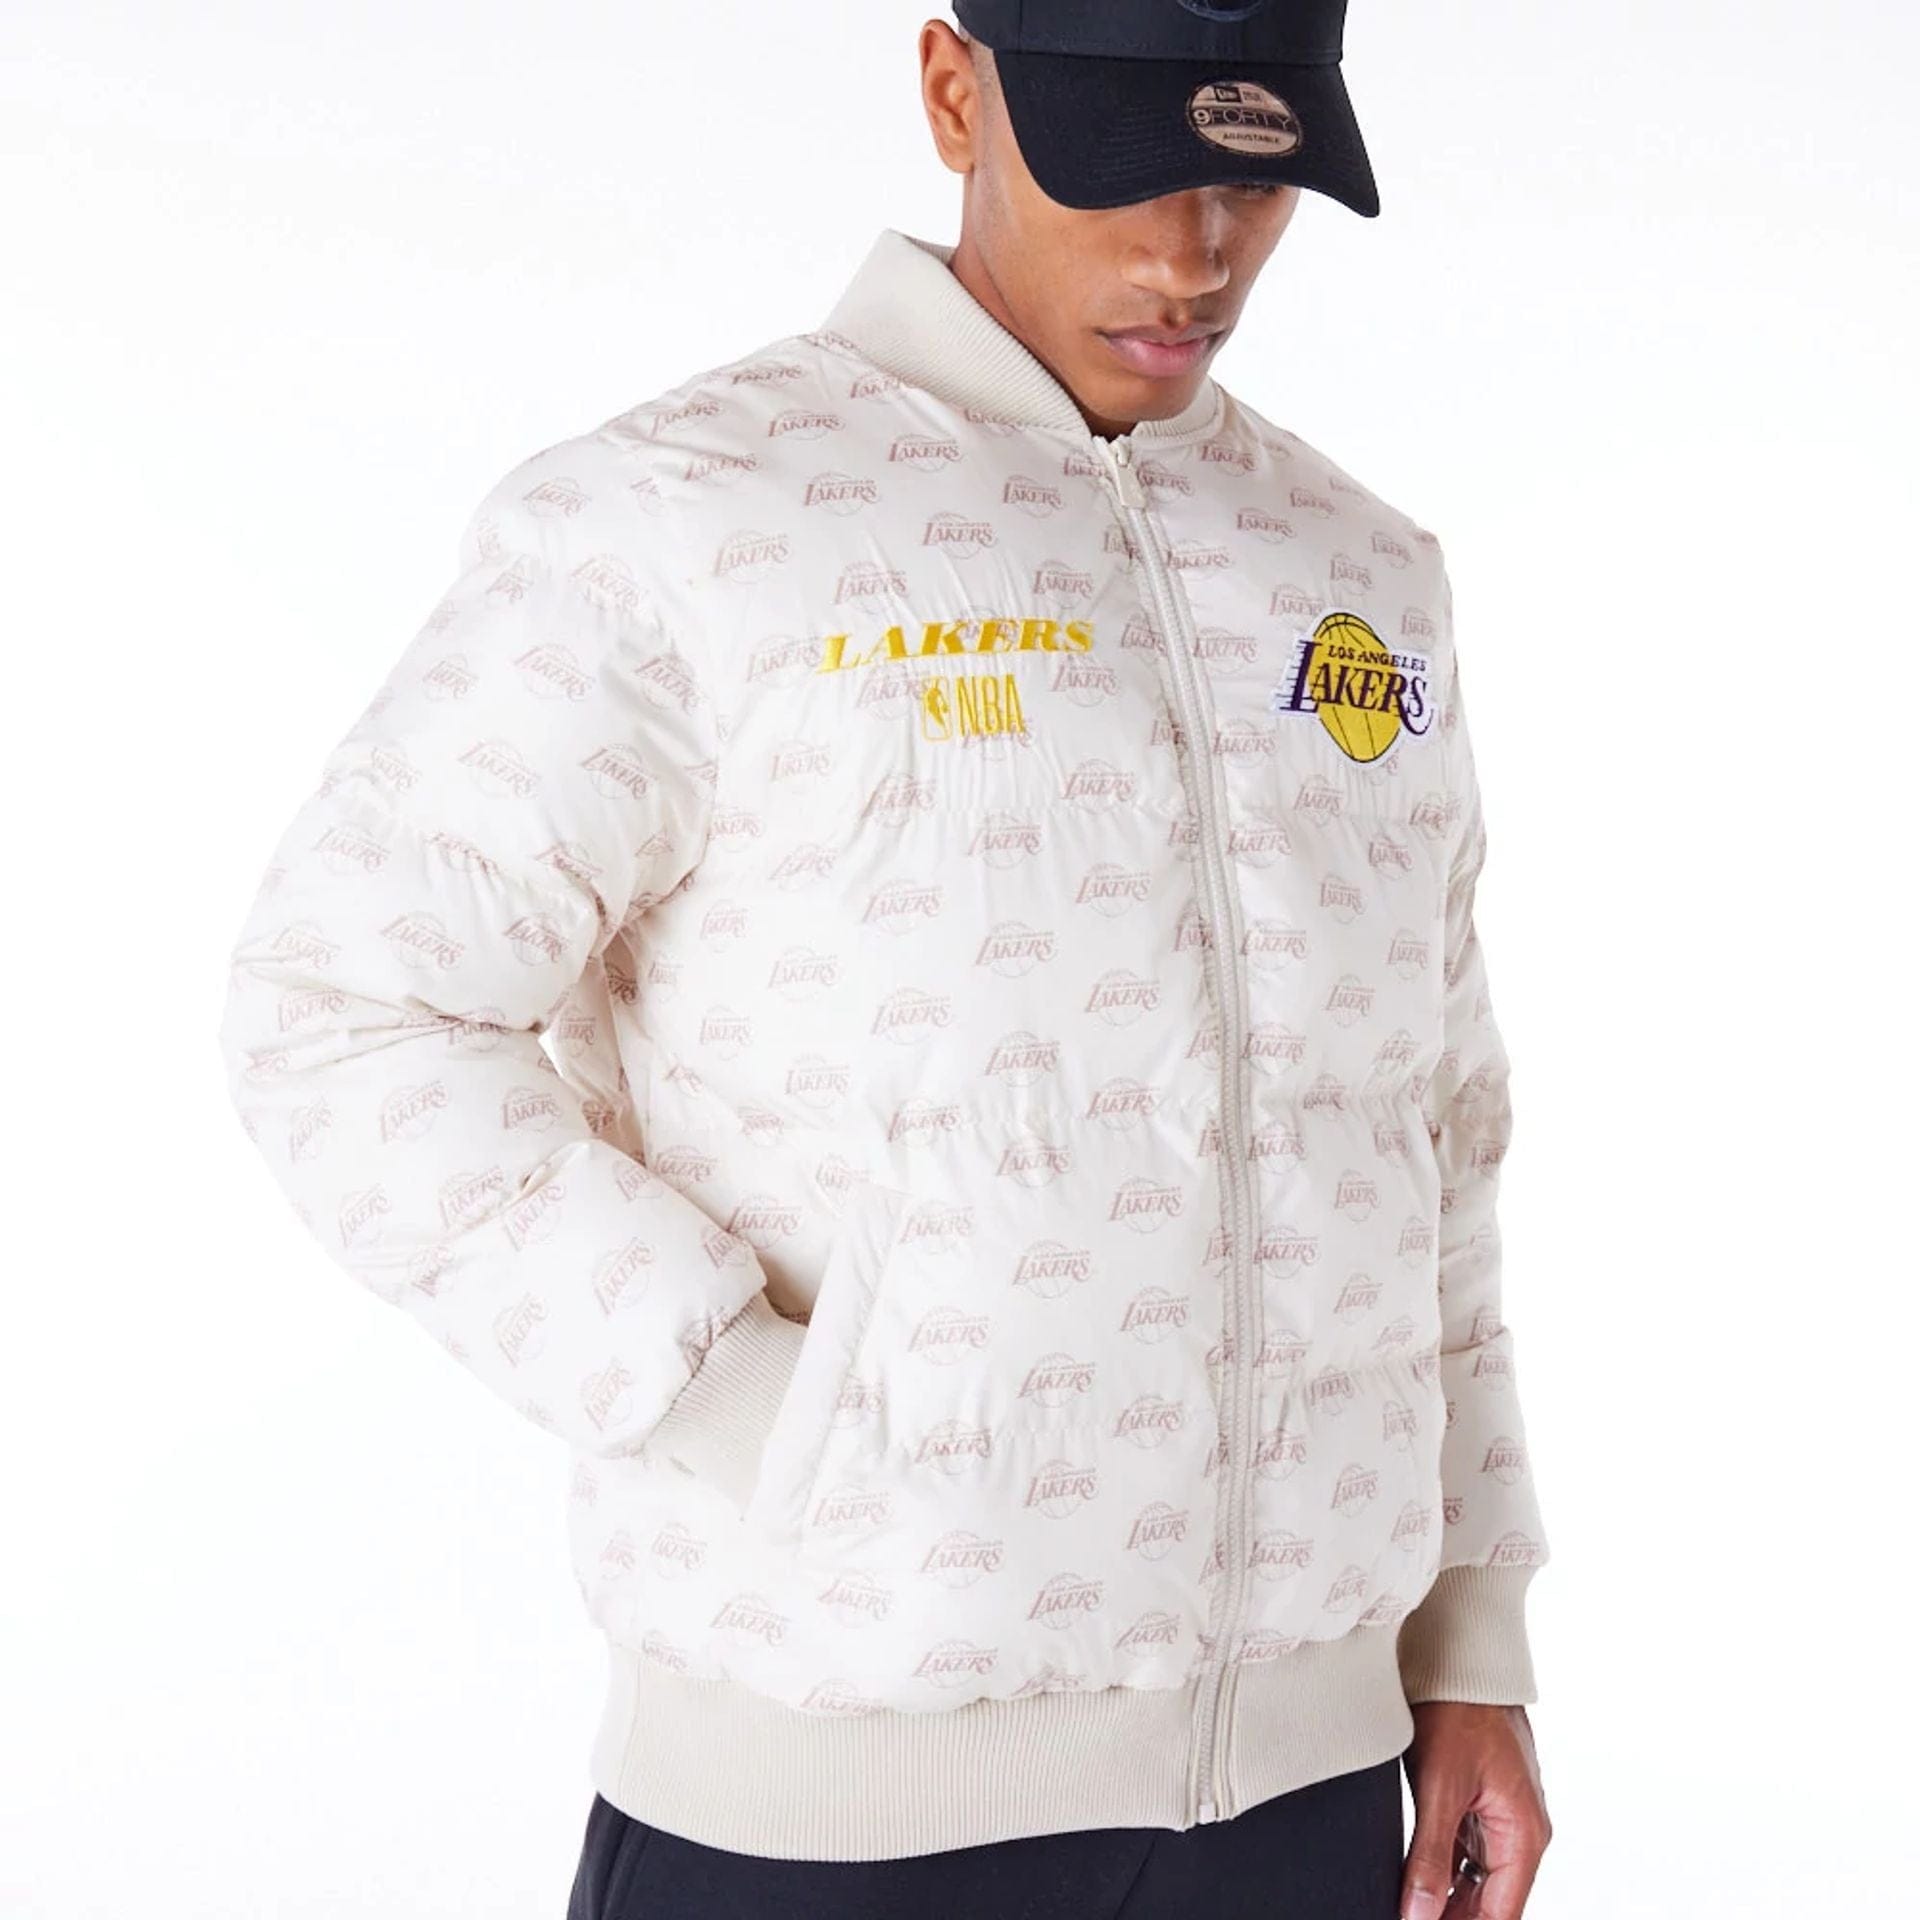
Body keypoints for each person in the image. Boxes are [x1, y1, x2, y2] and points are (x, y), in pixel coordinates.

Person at [214, 3, 1554, 1914]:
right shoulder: (687, 520)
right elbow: (345, 1007)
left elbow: (1434, 1126)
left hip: (1312, 1804)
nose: (1197, 253)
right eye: (1131, 166)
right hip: (825, 1802)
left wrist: (1468, 1646)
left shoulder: (1352, 569)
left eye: (1254, 179)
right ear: (953, 92)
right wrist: (742, 1399)